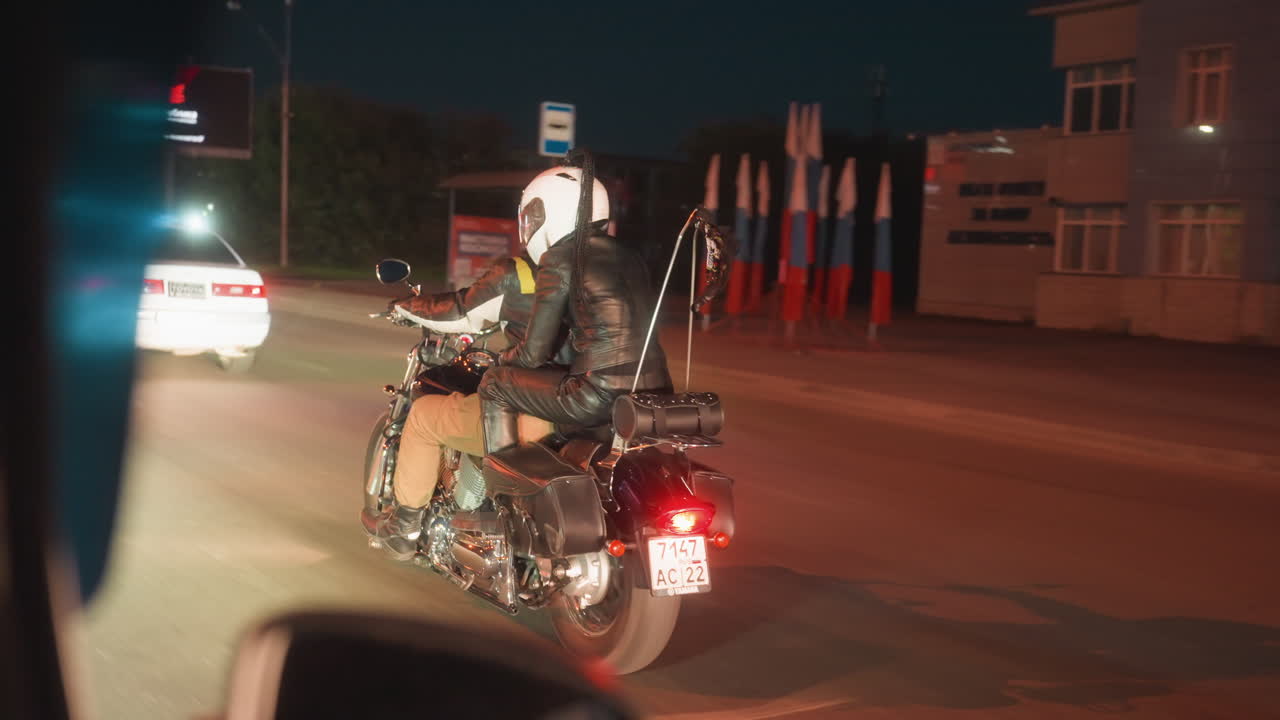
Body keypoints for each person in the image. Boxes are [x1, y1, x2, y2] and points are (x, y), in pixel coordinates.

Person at [360, 253, 557, 560]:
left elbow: (461, 311)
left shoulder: (522, 272)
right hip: (578, 405)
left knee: (424, 417)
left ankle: (404, 529)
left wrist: (405, 306)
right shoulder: (594, 271)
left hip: (532, 406)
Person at [478, 157, 672, 454]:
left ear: (549, 211)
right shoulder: (630, 255)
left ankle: (501, 485)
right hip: (657, 389)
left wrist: (501, 359)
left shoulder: (560, 258)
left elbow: (532, 354)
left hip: (600, 394)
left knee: (494, 384)